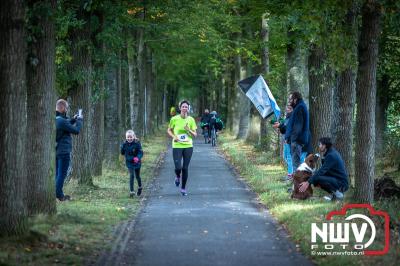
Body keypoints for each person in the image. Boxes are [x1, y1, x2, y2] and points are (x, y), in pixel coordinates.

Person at [167, 100, 197, 196]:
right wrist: (174, 137)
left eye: (186, 107)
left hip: (188, 145)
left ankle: (183, 188)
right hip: (177, 145)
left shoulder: (191, 120)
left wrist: (189, 130)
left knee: (185, 168)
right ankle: (177, 176)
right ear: (180, 108)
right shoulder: (174, 119)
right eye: (183, 106)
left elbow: (195, 135)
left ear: (188, 109)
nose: (184, 108)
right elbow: (169, 130)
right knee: (178, 167)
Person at [55, 99, 83, 201]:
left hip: (56, 151)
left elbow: (65, 124)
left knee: (57, 174)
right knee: (62, 174)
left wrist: (73, 119)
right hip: (64, 151)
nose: (66, 110)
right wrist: (79, 120)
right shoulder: (61, 121)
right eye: (66, 108)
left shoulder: (55, 119)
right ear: (62, 108)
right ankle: (58, 195)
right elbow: (76, 131)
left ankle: (58, 193)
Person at [284, 91, 311, 171]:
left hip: (297, 140)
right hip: (297, 140)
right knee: (296, 162)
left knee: (296, 163)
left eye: (290, 99)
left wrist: (293, 139)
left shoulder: (300, 107)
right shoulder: (299, 107)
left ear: (295, 99)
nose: (289, 101)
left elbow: (297, 126)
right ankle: (297, 181)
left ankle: (298, 182)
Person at [273, 105, 294, 181]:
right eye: (287, 108)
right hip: (285, 140)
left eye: (290, 108)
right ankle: (291, 173)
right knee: (285, 156)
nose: (287, 109)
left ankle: (290, 175)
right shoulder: (287, 118)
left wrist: (280, 125)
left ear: (293, 110)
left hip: (289, 140)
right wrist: (279, 126)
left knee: (289, 157)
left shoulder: (292, 117)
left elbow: (288, 128)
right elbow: (283, 128)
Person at [121, 130, 143, 197]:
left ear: (133, 137)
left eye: (131, 137)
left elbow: (140, 152)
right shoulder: (124, 144)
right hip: (129, 162)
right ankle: (132, 191)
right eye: (128, 137)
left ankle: (140, 187)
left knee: (137, 176)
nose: (129, 138)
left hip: (137, 162)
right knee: (131, 175)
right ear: (126, 137)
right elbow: (122, 153)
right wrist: (121, 147)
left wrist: (138, 158)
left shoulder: (137, 143)